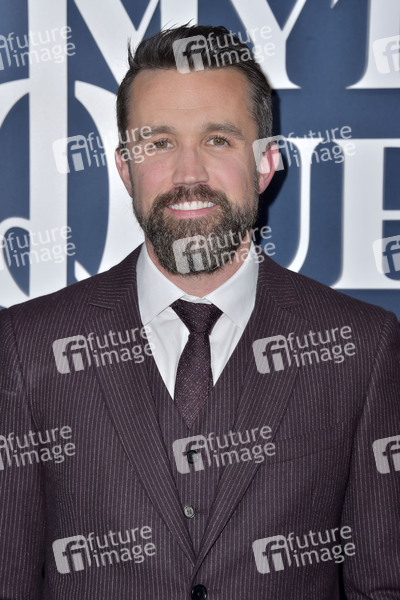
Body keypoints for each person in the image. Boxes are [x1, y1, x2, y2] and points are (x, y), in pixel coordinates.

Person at [0, 24, 399, 600]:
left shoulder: (362, 346)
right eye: (159, 143)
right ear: (125, 168)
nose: (189, 175)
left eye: (218, 140)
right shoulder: (26, 346)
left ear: (266, 163)